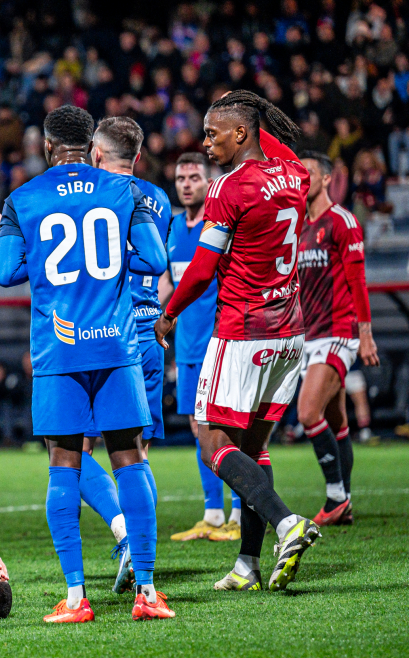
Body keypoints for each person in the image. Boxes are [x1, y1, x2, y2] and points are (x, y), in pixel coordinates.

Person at [0, 105, 173, 623]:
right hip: (117, 348)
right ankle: (148, 591)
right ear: (91, 146)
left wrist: (44, 259)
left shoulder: (22, 199)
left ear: (47, 147)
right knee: (131, 458)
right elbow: (157, 261)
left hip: (58, 351)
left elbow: (5, 273)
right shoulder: (125, 192)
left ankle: (76, 599)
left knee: (63, 464)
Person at [154, 91, 321, 593]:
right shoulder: (295, 174)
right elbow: (272, 141)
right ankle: (247, 563)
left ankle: (287, 522)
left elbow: (203, 269)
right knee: (255, 447)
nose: (205, 143)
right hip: (289, 332)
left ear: (241, 134)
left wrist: (169, 315)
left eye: (214, 132)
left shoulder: (227, 189)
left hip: (243, 330)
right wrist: (250, 109)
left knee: (210, 442)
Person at [76, 116, 173, 594]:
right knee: (137, 456)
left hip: (102, 331)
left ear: (96, 152)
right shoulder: (157, 198)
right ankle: (142, 549)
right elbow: (159, 262)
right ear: (138, 155)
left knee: (69, 452)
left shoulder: (85, 194)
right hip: (149, 325)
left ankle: (124, 533)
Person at [159, 152, 243, 543]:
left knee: (228, 428)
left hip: (221, 342)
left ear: (209, 182)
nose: (187, 183)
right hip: (189, 348)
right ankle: (212, 514)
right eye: (181, 177)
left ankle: (241, 512)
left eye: (195, 176)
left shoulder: (221, 224)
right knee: (197, 429)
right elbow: (166, 283)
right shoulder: (173, 227)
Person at [295, 151, 379, 526]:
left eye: (309, 173)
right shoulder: (296, 226)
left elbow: (358, 282)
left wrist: (365, 335)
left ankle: (335, 498)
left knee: (307, 412)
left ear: (327, 179)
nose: (303, 179)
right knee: (336, 419)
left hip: (337, 333)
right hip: (305, 336)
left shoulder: (342, 221)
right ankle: (344, 499)